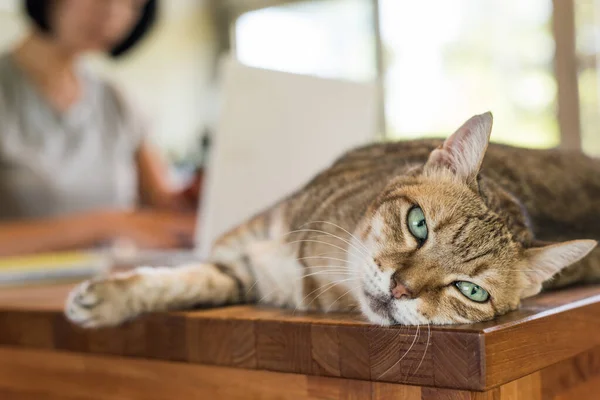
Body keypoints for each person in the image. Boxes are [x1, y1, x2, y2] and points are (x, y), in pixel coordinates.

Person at [0, 0, 199, 256]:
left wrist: (198, 196)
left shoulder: (116, 100)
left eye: (133, 5)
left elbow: (163, 207)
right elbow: (122, 222)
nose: (113, 14)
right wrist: (108, 224)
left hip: (108, 287)